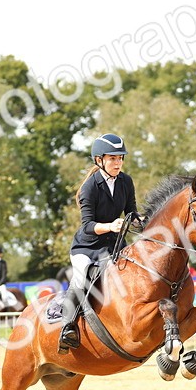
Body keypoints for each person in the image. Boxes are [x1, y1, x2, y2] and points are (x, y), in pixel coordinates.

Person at [58, 133, 142, 353]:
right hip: (87, 246)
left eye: (120, 158)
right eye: (113, 158)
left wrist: (143, 222)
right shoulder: (90, 187)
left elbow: (132, 212)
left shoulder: (126, 181)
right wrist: (111, 226)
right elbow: (87, 225)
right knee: (81, 274)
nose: (118, 163)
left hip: (113, 246)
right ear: (99, 160)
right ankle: (67, 326)